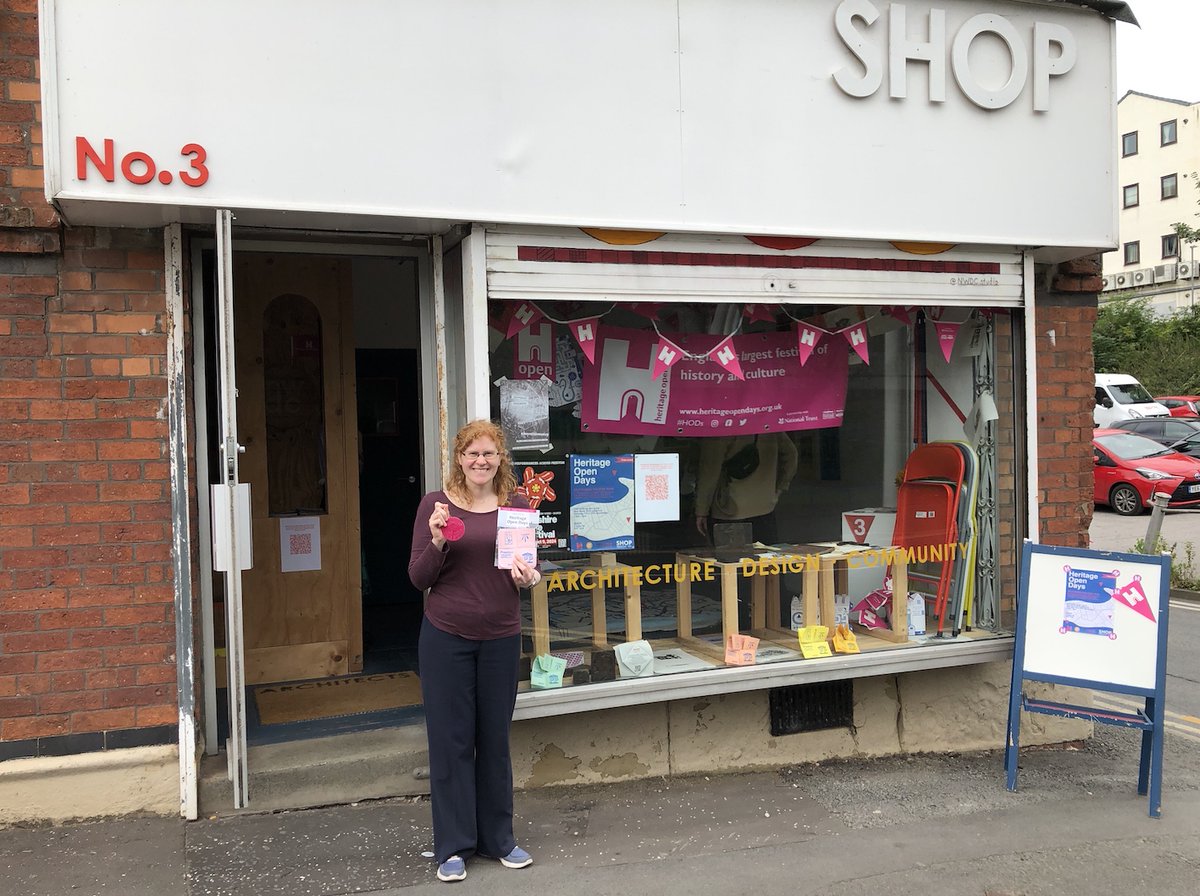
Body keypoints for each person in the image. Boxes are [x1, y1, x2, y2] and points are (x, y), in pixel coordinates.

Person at [408, 419, 540, 883]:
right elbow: (419, 578)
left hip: (501, 636)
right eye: (472, 454)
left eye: (489, 453)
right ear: (459, 459)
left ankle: (499, 839)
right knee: (451, 743)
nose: (480, 461)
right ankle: (453, 847)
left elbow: (527, 569)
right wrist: (440, 540)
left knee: (494, 741)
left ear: (500, 459)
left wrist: (531, 578)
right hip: (445, 637)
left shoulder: (517, 506)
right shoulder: (436, 507)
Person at [694, 431, 798, 545]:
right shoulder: (768, 424)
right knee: (765, 559)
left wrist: (701, 511)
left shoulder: (720, 429)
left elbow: (709, 473)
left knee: (731, 560)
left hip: (730, 509)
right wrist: (779, 488)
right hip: (765, 505)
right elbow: (791, 454)